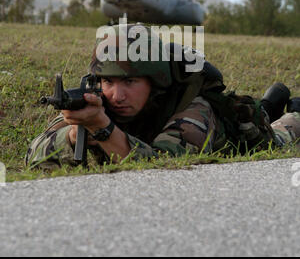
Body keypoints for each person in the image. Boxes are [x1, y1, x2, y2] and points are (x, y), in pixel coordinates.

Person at [26, 24, 300, 169]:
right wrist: (74, 134)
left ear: (155, 83)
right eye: (108, 81)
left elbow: (162, 168)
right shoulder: (98, 100)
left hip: (246, 132)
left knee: (282, 131)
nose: (116, 95)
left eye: (130, 82)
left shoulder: (192, 110)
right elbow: (33, 157)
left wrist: (102, 129)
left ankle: (289, 110)